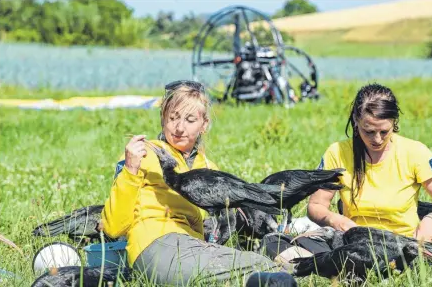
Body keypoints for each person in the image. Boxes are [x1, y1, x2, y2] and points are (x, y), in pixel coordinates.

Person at [101, 80, 293, 286]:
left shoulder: (209, 168)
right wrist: (130, 170)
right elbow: (113, 227)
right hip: (154, 244)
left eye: (190, 119)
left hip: (195, 246)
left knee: (265, 267)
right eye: (172, 117)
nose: (179, 127)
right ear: (162, 119)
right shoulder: (145, 154)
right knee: (268, 274)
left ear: (204, 124)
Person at [307, 83, 432, 243]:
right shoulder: (337, 153)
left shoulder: (416, 152)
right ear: (356, 120)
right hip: (356, 241)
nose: (377, 139)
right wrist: (335, 220)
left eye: (384, 132)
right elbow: (316, 206)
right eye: (368, 131)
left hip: (404, 243)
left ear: (394, 122)